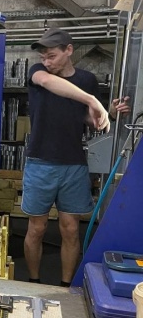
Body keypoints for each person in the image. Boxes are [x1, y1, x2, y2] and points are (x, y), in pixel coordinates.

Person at [22, 28, 130, 287]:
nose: (47, 62)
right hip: (40, 162)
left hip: (73, 164)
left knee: (70, 229)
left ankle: (65, 287)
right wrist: (92, 100)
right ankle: (32, 282)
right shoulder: (38, 72)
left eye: (52, 56)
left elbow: (88, 119)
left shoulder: (87, 79)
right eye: (44, 57)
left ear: (69, 50)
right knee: (36, 228)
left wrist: (108, 113)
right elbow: (48, 83)